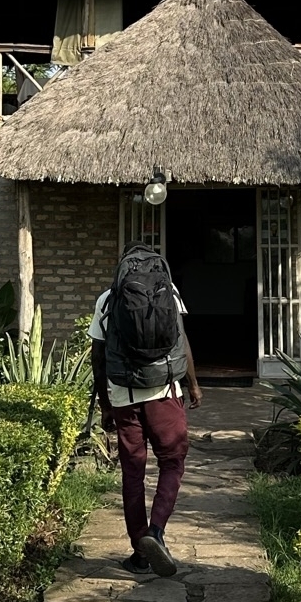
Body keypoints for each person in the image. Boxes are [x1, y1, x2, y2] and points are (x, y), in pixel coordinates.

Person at [89, 245, 202, 577]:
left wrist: (106, 404)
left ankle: (140, 553)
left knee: (133, 471)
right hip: (164, 390)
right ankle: (157, 531)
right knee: (173, 461)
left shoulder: (107, 299)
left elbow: (98, 356)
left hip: (123, 393)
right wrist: (192, 384)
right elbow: (180, 341)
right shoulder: (170, 290)